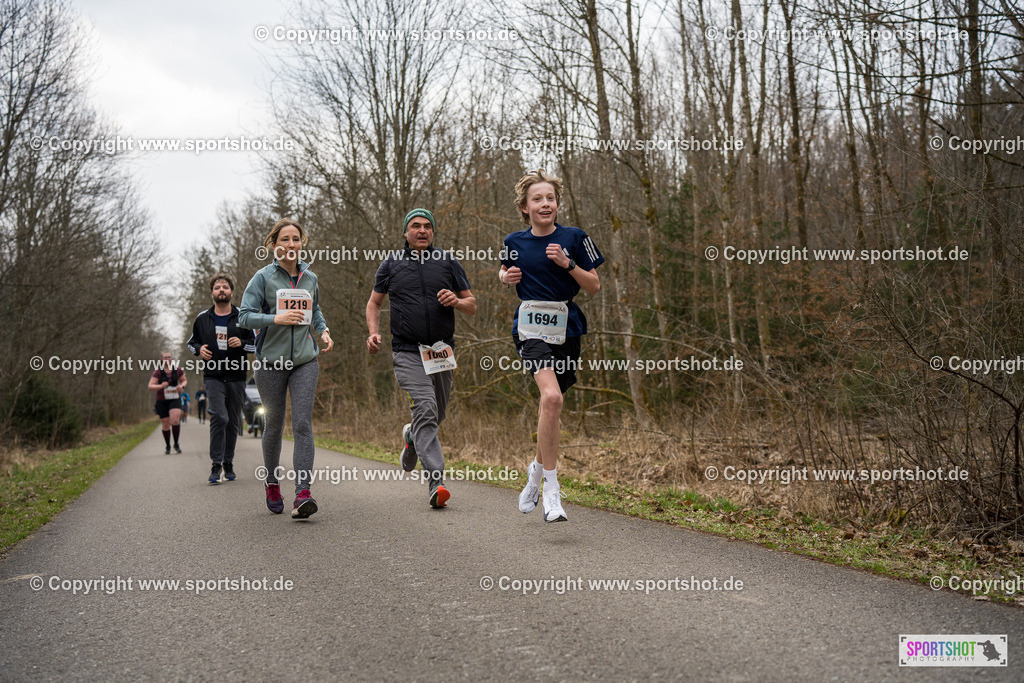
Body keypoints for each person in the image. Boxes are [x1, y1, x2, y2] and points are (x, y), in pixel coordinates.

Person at [499, 169, 604, 523]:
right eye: (537, 199)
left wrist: (568, 263)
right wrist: (504, 276)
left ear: (557, 203)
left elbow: (593, 286)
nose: (545, 204)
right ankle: (553, 493)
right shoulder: (514, 241)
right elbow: (505, 269)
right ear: (525, 207)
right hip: (529, 328)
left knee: (552, 409)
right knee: (552, 397)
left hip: (567, 329)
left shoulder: (576, 237)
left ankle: (534, 471)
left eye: (550, 198)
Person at [366, 208, 476, 509]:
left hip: (441, 350)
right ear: (406, 232)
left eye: (427, 226)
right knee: (426, 407)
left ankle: (412, 436)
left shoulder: (447, 262)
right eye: (415, 226)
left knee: (436, 415)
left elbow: (472, 304)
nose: (422, 231)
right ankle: (436, 481)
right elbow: (374, 303)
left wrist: (457, 301)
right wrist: (373, 333)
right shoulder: (391, 264)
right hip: (407, 350)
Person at [239, 218, 333, 519]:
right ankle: (271, 481)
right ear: (273, 245)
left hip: (305, 360)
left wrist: (323, 330)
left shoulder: (310, 278)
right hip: (270, 362)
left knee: (303, 424)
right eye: (284, 240)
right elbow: (244, 317)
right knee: (275, 425)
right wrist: (274, 319)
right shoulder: (263, 278)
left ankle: (303, 493)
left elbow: (314, 309)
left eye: (295, 239)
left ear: (301, 243)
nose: (290, 245)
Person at [187, 273, 256, 484]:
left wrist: (242, 344)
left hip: (237, 376)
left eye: (225, 287)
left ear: (232, 292)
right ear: (212, 293)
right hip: (213, 377)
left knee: (233, 422)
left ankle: (228, 462)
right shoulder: (202, 319)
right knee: (220, 417)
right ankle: (216, 466)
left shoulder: (243, 316)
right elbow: (191, 344)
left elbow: (256, 345)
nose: (221, 290)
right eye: (217, 287)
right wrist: (200, 350)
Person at [148, 351, 187, 454]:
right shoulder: (158, 372)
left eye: (169, 357)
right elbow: (150, 385)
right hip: (162, 400)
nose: (167, 359)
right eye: (165, 357)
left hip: (175, 398)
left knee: (175, 420)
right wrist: (161, 386)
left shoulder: (177, 370)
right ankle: (168, 446)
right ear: (161, 359)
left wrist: (181, 386)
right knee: (165, 424)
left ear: (172, 358)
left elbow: (184, 380)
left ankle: (176, 444)